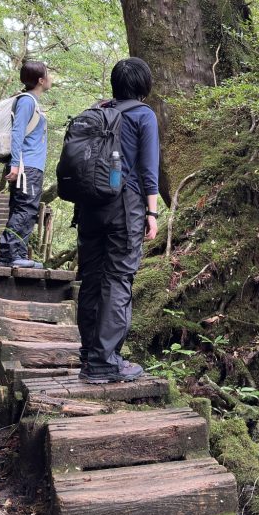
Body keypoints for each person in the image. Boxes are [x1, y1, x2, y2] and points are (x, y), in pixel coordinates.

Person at [77, 57, 160, 384]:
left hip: (88, 206)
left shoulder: (96, 111)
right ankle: (105, 362)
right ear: (143, 85)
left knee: (92, 278)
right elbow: (148, 169)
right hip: (125, 205)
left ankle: (88, 356)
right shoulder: (143, 115)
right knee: (118, 279)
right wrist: (152, 213)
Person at [0, 58, 51, 268]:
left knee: (23, 208)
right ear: (40, 80)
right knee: (25, 209)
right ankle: (10, 255)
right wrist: (16, 163)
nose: (50, 78)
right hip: (27, 165)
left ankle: (15, 254)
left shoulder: (32, 102)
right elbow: (18, 131)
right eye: (48, 74)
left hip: (30, 165)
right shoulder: (27, 101)